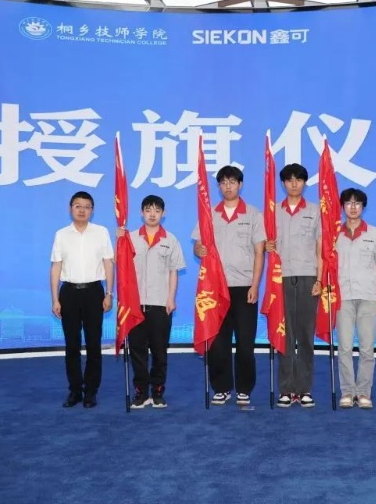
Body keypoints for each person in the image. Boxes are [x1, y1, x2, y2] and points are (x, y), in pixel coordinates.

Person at [192, 165, 266, 406]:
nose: (228, 186)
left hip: (244, 287)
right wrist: (198, 249)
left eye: (232, 182)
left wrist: (255, 285)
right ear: (219, 186)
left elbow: (259, 252)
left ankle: (244, 388)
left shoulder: (253, 214)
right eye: (223, 182)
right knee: (218, 342)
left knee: (245, 342)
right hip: (215, 287)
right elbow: (198, 245)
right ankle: (221, 387)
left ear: (240, 184)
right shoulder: (210, 214)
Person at [50, 191, 114, 409]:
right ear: (71, 209)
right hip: (69, 293)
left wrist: (109, 293)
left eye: (87, 207)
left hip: (94, 292)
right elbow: (56, 266)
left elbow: (108, 263)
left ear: (92, 210)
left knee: (94, 344)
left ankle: (91, 392)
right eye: (78, 206)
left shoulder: (101, 232)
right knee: (72, 345)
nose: (82, 210)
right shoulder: (61, 234)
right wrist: (55, 299)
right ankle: (75, 390)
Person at [122, 195, 186, 409]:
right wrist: (119, 240)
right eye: (148, 210)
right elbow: (121, 268)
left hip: (161, 304)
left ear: (163, 214)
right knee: (137, 351)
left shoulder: (170, 239)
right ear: (141, 212)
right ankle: (141, 392)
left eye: (157, 210)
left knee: (160, 351)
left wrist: (171, 298)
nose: (152, 214)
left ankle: (158, 391)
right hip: (135, 304)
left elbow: (174, 271)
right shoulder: (130, 238)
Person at [264, 163, 321, 408]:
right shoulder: (272, 211)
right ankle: (286, 389)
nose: (294, 184)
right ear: (283, 183)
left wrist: (320, 279)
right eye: (289, 180)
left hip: (308, 277)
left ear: (305, 183)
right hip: (282, 278)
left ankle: (305, 389)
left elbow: (321, 248)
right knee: (284, 335)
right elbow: (264, 244)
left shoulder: (315, 211)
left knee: (306, 336)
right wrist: (266, 247)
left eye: (299, 179)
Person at [335, 188, 376, 409]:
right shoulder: (334, 234)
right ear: (342, 207)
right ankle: (348, 392)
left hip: (368, 296)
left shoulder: (374, 234)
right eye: (349, 203)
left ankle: (364, 392)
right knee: (345, 347)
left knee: (367, 348)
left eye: (357, 203)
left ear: (363, 207)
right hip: (343, 297)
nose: (353, 207)